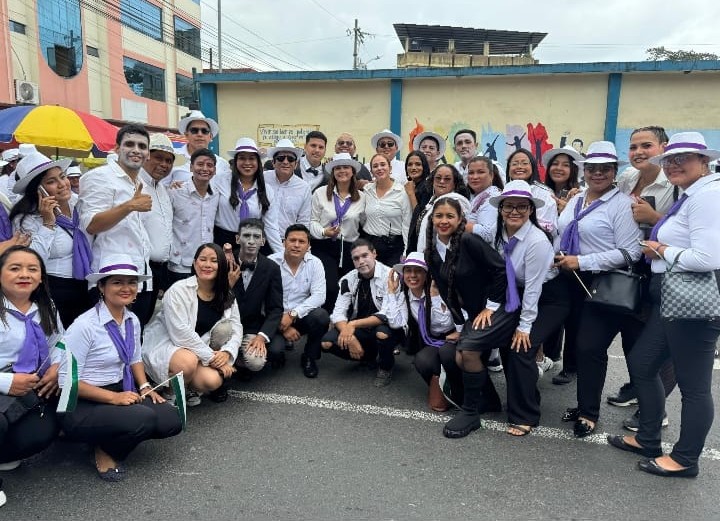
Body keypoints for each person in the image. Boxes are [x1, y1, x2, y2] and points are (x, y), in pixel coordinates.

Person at [608, 132, 720, 478]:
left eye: (682, 159)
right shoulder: (691, 193)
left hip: (691, 302)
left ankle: (686, 459)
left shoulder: (709, 195)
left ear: (703, 161)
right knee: (642, 363)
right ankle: (648, 438)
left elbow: (707, 257)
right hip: (671, 297)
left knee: (694, 385)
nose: (673, 165)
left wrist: (660, 249)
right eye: (669, 159)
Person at [59, 255, 182, 481]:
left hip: (120, 388)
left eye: (132, 282)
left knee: (171, 420)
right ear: (101, 287)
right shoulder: (84, 326)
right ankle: (106, 451)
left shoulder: (132, 319)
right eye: (117, 282)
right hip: (82, 401)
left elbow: (134, 357)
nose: (126, 288)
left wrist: (144, 386)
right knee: (143, 418)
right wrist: (114, 398)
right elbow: (67, 382)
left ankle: (107, 434)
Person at [555, 141, 643, 438]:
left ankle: (589, 414)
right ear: (584, 170)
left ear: (614, 171)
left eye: (605, 168)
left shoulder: (622, 204)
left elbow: (631, 252)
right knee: (580, 348)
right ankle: (584, 404)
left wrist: (582, 261)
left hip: (603, 282)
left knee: (590, 347)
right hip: (572, 280)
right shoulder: (577, 199)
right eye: (592, 168)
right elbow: (563, 232)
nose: (598, 173)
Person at [488, 181, 570, 436]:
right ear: (501, 209)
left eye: (521, 206)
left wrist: (524, 327)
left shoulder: (536, 241)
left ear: (531, 210)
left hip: (549, 298)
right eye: (508, 206)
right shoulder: (499, 234)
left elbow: (534, 288)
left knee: (522, 347)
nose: (514, 211)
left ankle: (526, 415)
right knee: (506, 342)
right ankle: (523, 397)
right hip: (518, 294)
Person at [424, 197, 507, 438]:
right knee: (457, 354)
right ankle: (488, 401)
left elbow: (501, 269)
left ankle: (471, 413)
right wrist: (460, 326)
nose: (444, 221)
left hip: (497, 308)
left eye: (450, 216)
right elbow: (447, 293)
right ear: (432, 219)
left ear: (460, 219)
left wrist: (490, 306)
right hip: (472, 315)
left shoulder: (469, 241)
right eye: (439, 216)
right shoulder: (431, 252)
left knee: (467, 352)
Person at [614, 126, 675, 429]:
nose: (638, 152)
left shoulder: (673, 183)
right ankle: (638, 388)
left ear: (663, 147)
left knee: (661, 344)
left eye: (646, 145)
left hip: (667, 271)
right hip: (636, 266)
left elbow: (690, 232)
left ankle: (655, 411)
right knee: (634, 334)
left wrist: (654, 219)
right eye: (633, 146)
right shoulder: (628, 177)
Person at [143, 243, 241, 406]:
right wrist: (212, 358)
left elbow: (237, 328)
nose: (207, 265)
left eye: (214, 261)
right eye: (202, 259)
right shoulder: (178, 290)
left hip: (197, 350)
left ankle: (187, 386)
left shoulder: (226, 293)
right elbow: (180, 333)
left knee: (213, 380)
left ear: (221, 266)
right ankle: (170, 394)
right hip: (170, 345)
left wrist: (227, 353)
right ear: (195, 264)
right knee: (187, 362)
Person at [0, 246, 63, 499]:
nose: (24, 274)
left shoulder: (46, 306)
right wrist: (7, 382)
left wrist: (57, 366)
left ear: (40, 277)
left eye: (32, 269)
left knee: (40, 432)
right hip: (6, 381)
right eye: (15, 268)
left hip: (30, 388)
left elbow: (60, 342)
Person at [78, 124, 155, 326]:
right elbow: (91, 225)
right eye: (129, 144)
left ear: (148, 154)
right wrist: (129, 206)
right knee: (108, 338)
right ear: (117, 148)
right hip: (111, 277)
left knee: (135, 335)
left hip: (140, 276)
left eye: (142, 146)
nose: (136, 150)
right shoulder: (99, 177)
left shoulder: (140, 183)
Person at [9, 152, 92, 329]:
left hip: (87, 285)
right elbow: (32, 261)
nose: (62, 184)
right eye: (51, 182)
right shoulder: (26, 219)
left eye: (62, 176)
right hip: (54, 289)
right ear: (38, 190)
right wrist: (48, 223)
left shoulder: (79, 204)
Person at [382, 252, 460, 411]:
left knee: (446, 353)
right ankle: (444, 390)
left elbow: (444, 326)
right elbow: (396, 323)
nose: (412, 275)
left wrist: (435, 297)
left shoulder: (437, 290)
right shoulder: (405, 295)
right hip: (434, 341)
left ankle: (461, 391)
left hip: (454, 337)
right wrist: (391, 292)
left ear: (427, 274)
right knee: (422, 360)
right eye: (408, 271)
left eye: (418, 271)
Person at [321, 239, 395, 387]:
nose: (361, 261)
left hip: (387, 326)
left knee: (382, 334)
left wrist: (352, 325)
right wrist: (351, 337)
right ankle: (367, 357)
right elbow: (338, 313)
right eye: (356, 258)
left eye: (365, 255)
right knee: (326, 343)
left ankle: (385, 367)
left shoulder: (390, 276)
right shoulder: (348, 279)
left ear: (374, 254)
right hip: (361, 329)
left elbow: (388, 313)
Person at [269, 224, 330, 378]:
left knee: (321, 316)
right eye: (292, 240)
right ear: (284, 242)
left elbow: (319, 296)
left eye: (301, 241)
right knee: (274, 351)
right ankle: (278, 353)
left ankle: (309, 356)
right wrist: (282, 326)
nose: (296, 245)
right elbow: (262, 299)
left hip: (300, 316)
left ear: (308, 246)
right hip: (274, 317)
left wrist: (292, 315)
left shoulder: (315, 263)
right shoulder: (270, 262)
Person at [309, 152, 366, 313]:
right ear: (333, 172)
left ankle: (344, 322)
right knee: (330, 287)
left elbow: (364, 222)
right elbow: (312, 221)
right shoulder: (320, 193)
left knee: (348, 289)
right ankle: (326, 321)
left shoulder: (362, 197)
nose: (342, 171)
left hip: (350, 248)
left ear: (353, 172)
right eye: (338, 168)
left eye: (346, 167)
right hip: (324, 246)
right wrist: (323, 231)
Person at [228, 219, 280, 374]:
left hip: (252, 327)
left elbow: (276, 308)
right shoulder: (224, 261)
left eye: (256, 237)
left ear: (263, 241)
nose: (251, 241)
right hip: (226, 326)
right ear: (238, 239)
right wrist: (228, 284)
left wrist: (262, 336)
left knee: (256, 362)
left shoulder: (271, 268)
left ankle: (239, 362)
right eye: (246, 236)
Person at [214, 137, 282, 255]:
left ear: (258, 162)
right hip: (223, 242)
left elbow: (271, 226)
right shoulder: (219, 181)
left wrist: (281, 255)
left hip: (251, 243)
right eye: (242, 158)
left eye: (251, 158)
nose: (247, 163)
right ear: (235, 161)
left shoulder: (267, 190)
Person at [139, 134, 178, 321]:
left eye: (169, 161)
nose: (164, 164)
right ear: (146, 156)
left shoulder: (163, 189)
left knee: (146, 320)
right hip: (139, 269)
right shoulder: (135, 185)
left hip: (159, 271)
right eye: (158, 158)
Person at [167, 148, 220, 286]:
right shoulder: (175, 192)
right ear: (191, 167)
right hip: (179, 264)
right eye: (200, 164)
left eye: (209, 165)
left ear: (214, 170)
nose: (205, 169)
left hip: (206, 264)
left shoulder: (216, 195)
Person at [411, 164, 471, 255]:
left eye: (447, 179)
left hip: (447, 256)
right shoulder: (432, 201)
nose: (442, 181)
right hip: (428, 255)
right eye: (438, 178)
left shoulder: (457, 202)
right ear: (432, 181)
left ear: (455, 183)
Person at [363, 153, 411, 266]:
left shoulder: (402, 192)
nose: (379, 168)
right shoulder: (366, 190)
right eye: (375, 166)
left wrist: (406, 251)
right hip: (370, 246)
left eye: (383, 164)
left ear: (390, 168)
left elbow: (407, 224)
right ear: (371, 171)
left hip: (394, 247)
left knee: (391, 276)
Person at [164, 110, 230, 185]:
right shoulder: (172, 157)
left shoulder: (222, 164)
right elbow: (160, 186)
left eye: (204, 131)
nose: (199, 134)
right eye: (194, 130)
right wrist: (171, 188)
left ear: (211, 137)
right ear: (186, 135)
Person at [264, 139, 312, 237]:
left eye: (290, 159)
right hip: (260, 239)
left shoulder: (304, 187)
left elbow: (304, 221)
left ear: (296, 164)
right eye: (281, 158)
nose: (285, 162)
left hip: (286, 241)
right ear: (273, 162)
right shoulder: (262, 179)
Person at [505, 148, 558, 233]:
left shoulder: (544, 193)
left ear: (533, 166)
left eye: (525, 163)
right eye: (514, 164)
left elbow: (547, 226)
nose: (519, 166)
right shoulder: (504, 190)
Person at [465, 155, 504, 242]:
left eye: (480, 172)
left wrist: (459, 225)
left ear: (491, 175)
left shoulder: (493, 198)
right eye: (471, 173)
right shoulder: (477, 196)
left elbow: (488, 234)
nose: (475, 177)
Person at [541, 145, 584, 215]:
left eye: (566, 165)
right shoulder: (539, 191)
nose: (559, 168)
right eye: (555, 163)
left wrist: (567, 212)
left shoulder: (581, 195)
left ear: (574, 170)